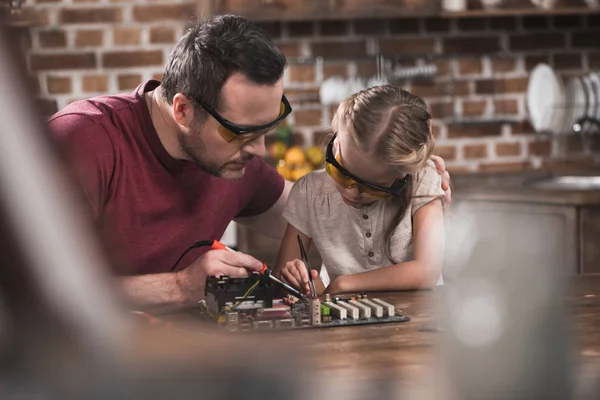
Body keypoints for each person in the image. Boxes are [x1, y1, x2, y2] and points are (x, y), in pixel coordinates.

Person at [47, 14, 452, 309]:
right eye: (243, 133)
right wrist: (180, 287)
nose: (259, 152)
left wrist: (402, 177)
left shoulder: (232, 162)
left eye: (267, 129)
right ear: (184, 110)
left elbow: (323, 210)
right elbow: (26, 292)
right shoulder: (81, 142)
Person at [274, 86, 446, 295]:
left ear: (402, 177)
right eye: (341, 173)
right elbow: (281, 277)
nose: (351, 193)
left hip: (420, 320)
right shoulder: (309, 192)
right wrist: (296, 278)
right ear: (335, 143)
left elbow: (427, 271)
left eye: (372, 189)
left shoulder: (423, 180)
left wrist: (343, 283)